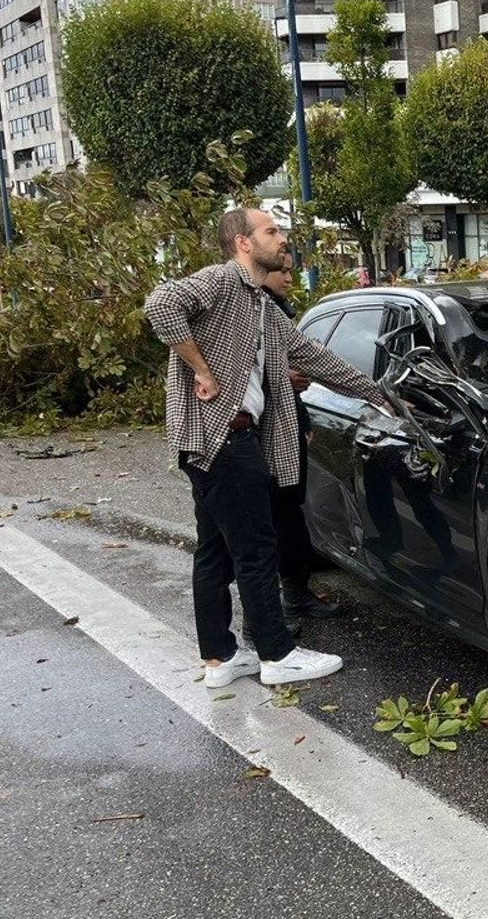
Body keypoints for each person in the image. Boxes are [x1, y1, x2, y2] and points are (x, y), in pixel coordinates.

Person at [144, 207, 392, 691]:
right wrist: (200, 368)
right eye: (271, 231)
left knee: (215, 551)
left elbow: (314, 357)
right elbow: (159, 305)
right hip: (224, 438)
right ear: (242, 242)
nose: (282, 240)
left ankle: (221, 657)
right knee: (257, 550)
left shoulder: (260, 305)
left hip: (216, 442)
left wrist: (378, 393)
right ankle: (277, 655)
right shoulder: (219, 282)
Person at [261, 263, 338, 628]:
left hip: (290, 422)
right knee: (273, 520)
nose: (289, 278)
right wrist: (280, 377)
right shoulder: (252, 310)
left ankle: (295, 593)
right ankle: (270, 614)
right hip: (262, 430)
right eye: (282, 271)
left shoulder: (277, 311)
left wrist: (303, 420)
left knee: (290, 513)